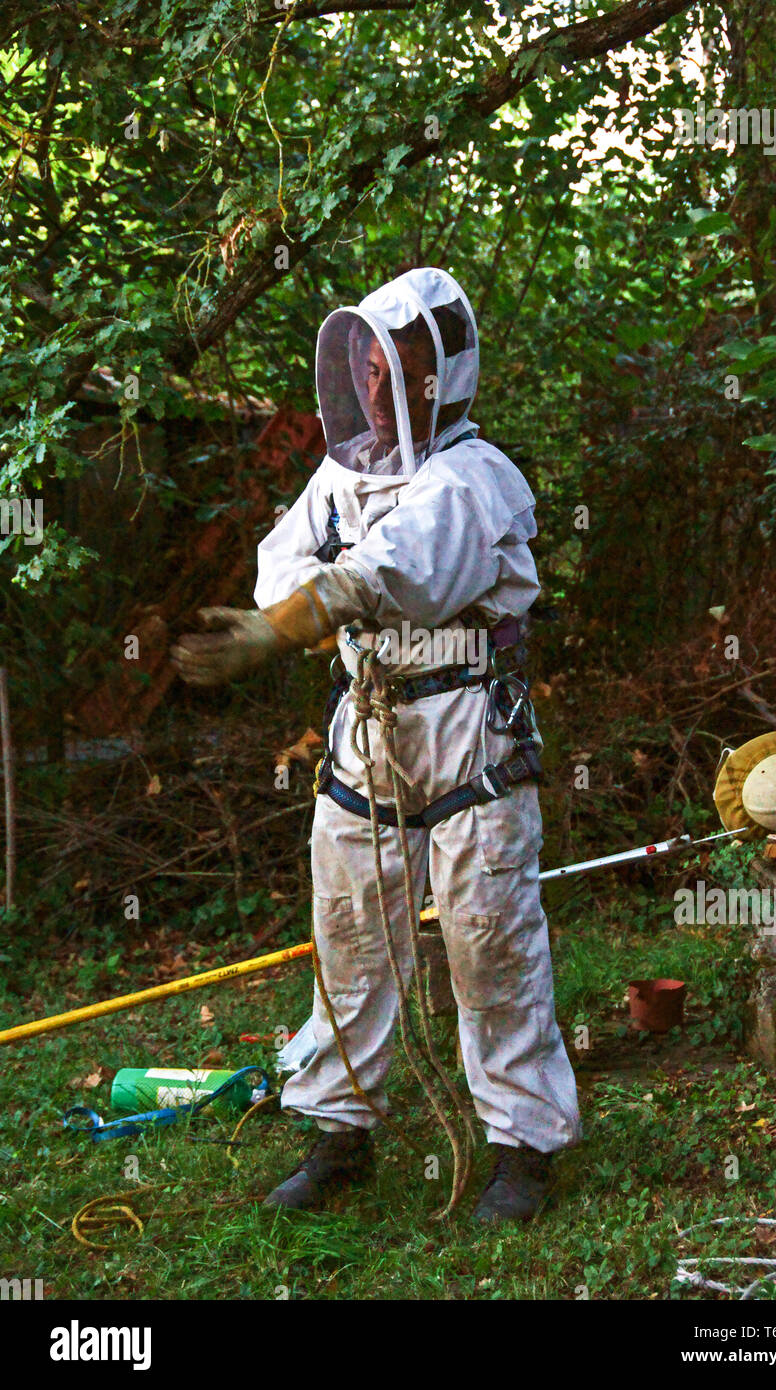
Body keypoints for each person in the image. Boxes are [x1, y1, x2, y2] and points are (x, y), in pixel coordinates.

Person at [172, 266, 581, 1223]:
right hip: (367, 724)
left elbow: (400, 571)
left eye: (391, 367)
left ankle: (523, 1149)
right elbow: (283, 563)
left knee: (489, 940)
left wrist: (292, 622)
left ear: (434, 377)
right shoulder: (339, 477)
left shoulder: (477, 478)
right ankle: (338, 1131)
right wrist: (304, 608)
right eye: (364, 365)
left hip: (470, 727)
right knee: (351, 932)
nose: (372, 386)